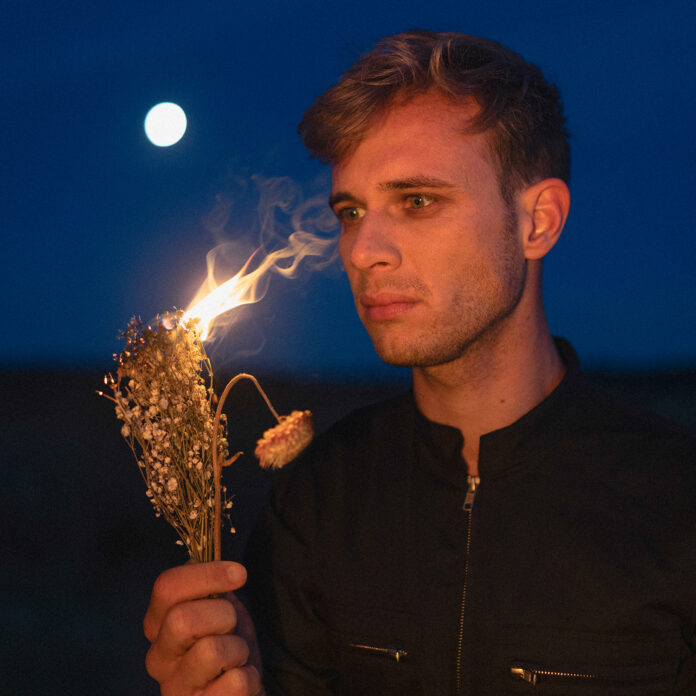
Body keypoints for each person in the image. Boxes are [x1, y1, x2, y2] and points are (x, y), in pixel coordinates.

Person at [143, 30, 696, 694]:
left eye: (417, 202)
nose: (361, 250)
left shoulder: (672, 502)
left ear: (538, 222)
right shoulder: (317, 502)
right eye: (351, 211)